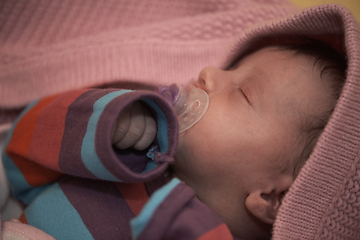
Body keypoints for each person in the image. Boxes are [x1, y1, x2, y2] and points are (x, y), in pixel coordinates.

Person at [1, 1, 360, 240]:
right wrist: (110, 120)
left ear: (273, 197)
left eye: (244, 92)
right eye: (231, 68)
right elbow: (18, 155)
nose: (208, 73)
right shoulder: (133, 154)